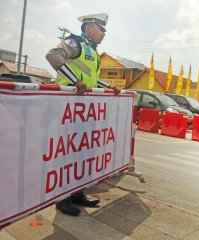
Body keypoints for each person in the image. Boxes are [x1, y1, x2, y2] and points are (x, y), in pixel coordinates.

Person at [46, 13, 120, 216]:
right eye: (101, 29)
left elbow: (90, 80)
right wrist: (74, 82)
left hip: (85, 111)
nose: (104, 33)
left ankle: (77, 193)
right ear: (88, 28)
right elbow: (53, 55)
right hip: (69, 109)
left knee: (83, 153)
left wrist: (109, 87)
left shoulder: (93, 52)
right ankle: (61, 198)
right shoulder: (75, 42)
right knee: (67, 154)